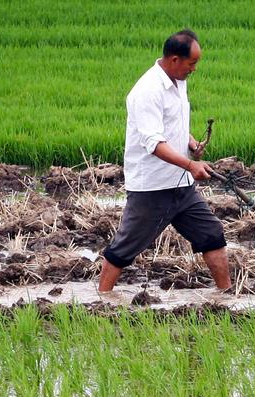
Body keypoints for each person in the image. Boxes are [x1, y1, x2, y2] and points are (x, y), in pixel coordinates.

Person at [98, 29, 231, 293]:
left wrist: (191, 142)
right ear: (174, 60)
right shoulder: (147, 91)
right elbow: (154, 144)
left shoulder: (178, 80)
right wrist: (191, 165)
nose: (194, 69)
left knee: (212, 235)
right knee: (123, 250)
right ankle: (101, 300)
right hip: (153, 188)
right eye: (191, 63)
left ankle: (228, 297)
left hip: (181, 185)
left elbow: (172, 123)